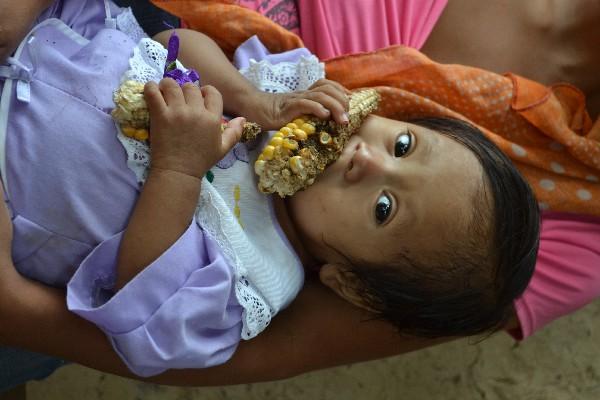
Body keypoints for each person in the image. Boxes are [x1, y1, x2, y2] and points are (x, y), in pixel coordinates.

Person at [0, 0, 541, 387]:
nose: (367, 159)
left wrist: (180, 171)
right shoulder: (284, 97)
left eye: (384, 208)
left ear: (348, 282)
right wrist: (247, 95)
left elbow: (142, 296)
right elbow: (169, 40)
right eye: (402, 145)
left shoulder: (246, 283)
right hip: (53, 31)